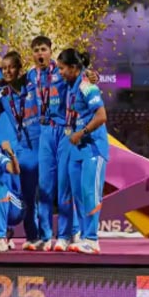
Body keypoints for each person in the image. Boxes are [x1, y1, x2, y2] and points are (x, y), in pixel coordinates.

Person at [29, 36, 100, 251]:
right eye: (36, 50)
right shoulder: (31, 75)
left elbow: (83, 75)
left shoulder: (61, 71)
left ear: (50, 51)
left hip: (65, 130)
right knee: (44, 185)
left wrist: (92, 75)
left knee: (64, 185)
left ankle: (65, 234)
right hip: (45, 131)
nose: (40, 54)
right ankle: (44, 236)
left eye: (43, 49)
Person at [0, 51, 43, 251]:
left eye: (11, 67)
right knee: (28, 194)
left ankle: (70, 235)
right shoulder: (3, 95)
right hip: (24, 149)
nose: (7, 71)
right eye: (4, 68)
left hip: (44, 144)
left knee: (50, 192)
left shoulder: (32, 84)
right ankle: (33, 237)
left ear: (19, 69)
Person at [58, 49, 109, 255]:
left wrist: (82, 132)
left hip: (93, 147)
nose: (60, 72)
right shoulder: (70, 85)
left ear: (73, 68)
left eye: (62, 68)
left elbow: (101, 116)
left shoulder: (87, 85)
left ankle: (92, 239)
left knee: (90, 193)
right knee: (78, 195)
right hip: (77, 149)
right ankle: (83, 236)